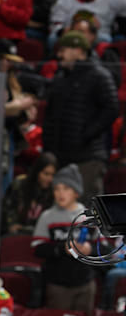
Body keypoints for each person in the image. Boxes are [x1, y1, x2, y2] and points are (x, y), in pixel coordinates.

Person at [44, 30, 118, 201]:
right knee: (64, 213)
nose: (59, 54)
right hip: (61, 155)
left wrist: (86, 134)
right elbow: (50, 115)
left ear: (78, 51)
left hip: (88, 157)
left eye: (64, 50)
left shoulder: (99, 75)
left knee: (88, 212)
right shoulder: (61, 78)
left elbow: (111, 109)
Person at [33, 164, 98, 310]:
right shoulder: (47, 217)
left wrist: (90, 248)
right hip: (58, 285)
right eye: (57, 189)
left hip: (85, 284)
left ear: (76, 192)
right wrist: (62, 248)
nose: (60, 193)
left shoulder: (89, 217)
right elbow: (37, 249)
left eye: (66, 188)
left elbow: (104, 247)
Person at [3, 152, 58, 235]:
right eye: (46, 174)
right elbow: (7, 209)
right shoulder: (19, 184)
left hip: (38, 236)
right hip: (13, 235)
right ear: (37, 172)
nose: (50, 179)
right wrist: (12, 225)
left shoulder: (54, 192)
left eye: (52, 175)